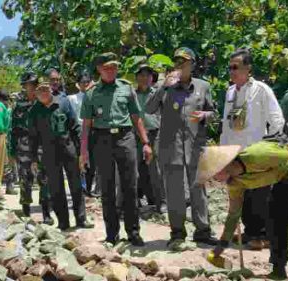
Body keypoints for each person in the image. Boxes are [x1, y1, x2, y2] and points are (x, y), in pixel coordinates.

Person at [202, 141, 288, 281]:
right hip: (283, 175)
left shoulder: (257, 155)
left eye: (213, 173)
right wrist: (220, 248)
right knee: (277, 220)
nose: (213, 178)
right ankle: (278, 269)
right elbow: (233, 216)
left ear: (223, 165)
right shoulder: (235, 182)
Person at [145, 47, 218, 249]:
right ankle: (177, 233)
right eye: (177, 62)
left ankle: (203, 231)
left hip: (195, 146)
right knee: (175, 192)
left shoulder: (203, 86)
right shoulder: (166, 87)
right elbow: (148, 109)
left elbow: (213, 112)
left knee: (199, 190)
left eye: (183, 62)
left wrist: (205, 115)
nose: (179, 66)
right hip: (172, 147)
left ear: (192, 65)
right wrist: (163, 87)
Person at [80, 52, 153, 246]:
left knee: (130, 185)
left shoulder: (127, 88)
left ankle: (133, 232)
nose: (111, 70)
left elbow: (136, 117)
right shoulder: (91, 93)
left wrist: (145, 143)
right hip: (102, 139)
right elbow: (86, 124)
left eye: (114, 67)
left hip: (125, 137)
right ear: (99, 69)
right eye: (107, 68)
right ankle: (112, 234)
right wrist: (84, 151)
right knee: (107, 188)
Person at [219, 48, 285, 250]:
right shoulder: (230, 92)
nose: (232, 71)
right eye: (230, 67)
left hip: (257, 151)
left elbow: (276, 119)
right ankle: (250, 233)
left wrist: (270, 143)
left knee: (259, 194)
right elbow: (226, 125)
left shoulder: (261, 89)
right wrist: (223, 154)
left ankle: (262, 235)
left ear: (248, 68)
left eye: (235, 67)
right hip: (236, 153)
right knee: (242, 193)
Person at [27, 78, 93, 230]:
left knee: (76, 185)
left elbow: (75, 127)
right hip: (49, 153)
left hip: (69, 149)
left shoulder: (63, 103)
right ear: (36, 93)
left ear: (51, 89)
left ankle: (81, 219)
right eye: (40, 91)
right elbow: (32, 137)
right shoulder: (34, 111)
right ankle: (63, 222)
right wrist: (34, 158)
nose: (43, 93)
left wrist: (82, 151)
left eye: (46, 89)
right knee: (56, 188)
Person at [9, 71, 53, 224]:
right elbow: (13, 127)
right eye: (29, 85)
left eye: (35, 84)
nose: (32, 88)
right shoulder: (19, 104)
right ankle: (26, 211)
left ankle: (46, 213)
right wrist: (12, 149)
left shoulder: (44, 101)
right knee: (25, 179)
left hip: (42, 145)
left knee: (44, 179)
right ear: (24, 87)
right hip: (24, 145)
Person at [133, 61, 165, 214]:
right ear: (137, 77)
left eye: (148, 75)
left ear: (152, 78)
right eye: (141, 75)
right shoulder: (132, 94)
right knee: (136, 169)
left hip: (154, 133)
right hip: (135, 135)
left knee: (156, 170)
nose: (145, 78)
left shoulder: (158, 93)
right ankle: (135, 200)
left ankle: (161, 202)